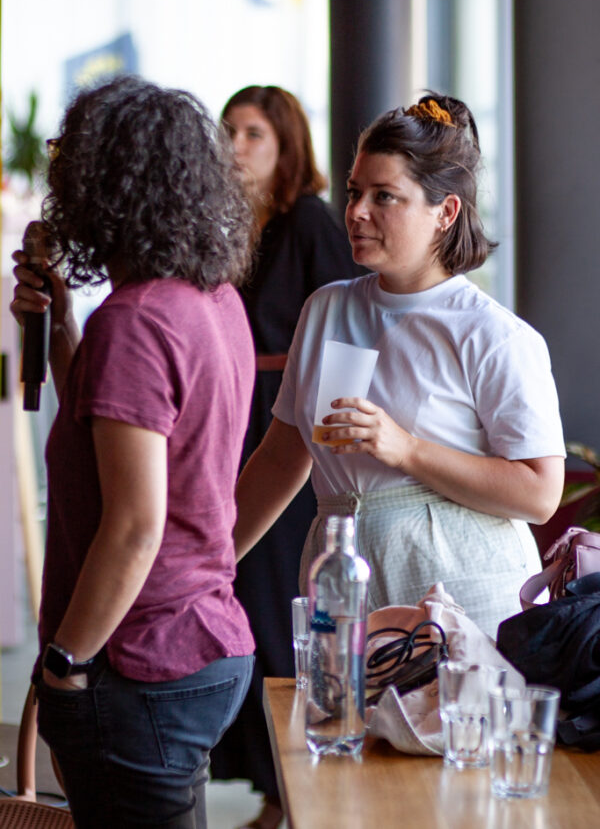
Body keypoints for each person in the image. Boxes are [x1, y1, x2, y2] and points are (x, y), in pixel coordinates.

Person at [10, 75, 256, 829]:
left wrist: (64, 663)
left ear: (102, 184)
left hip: (137, 658)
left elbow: (135, 524)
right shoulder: (208, 299)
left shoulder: (137, 321)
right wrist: (57, 318)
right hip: (202, 641)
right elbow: (106, 416)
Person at [232, 92, 566, 642]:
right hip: (343, 574)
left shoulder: (492, 333)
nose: (357, 212)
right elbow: (281, 457)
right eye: (354, 192)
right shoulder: (328, 309)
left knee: (453, 729)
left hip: (462, 583)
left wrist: (405, 448)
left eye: (384, 196)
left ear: (445, 212)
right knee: (336, 725)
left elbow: (538, 493)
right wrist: (208, 568)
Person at [209, 85, 362, 829]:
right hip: (236, 420)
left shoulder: (308, 220)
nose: (235, 144)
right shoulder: (232, 223)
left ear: (286, 145)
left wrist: (329, 430)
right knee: (237, 598)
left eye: (253, 133)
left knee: (277, 610)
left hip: (288, 431)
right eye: (229, 130)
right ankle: (271, 785)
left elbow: (348, 323)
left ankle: (291, 791)